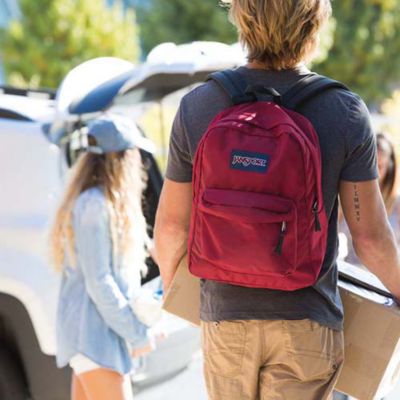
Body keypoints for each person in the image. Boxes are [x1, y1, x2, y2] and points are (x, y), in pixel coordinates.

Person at [154, 1, 400, 399]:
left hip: (224, 318)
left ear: (240, 18)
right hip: (306, 322)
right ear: (315, 25)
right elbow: (370, 239)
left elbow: (169, 228)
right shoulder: (344, 112)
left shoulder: (198, 106)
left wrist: (178, 291)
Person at [50, 115, 160, 400]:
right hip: (93, 338)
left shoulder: (96, 203)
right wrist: (137, 333)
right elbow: (100, 282)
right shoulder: (94, 206)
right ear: (122, 158)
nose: (139, 160)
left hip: (92, 337)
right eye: (135, 153)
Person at [340, 133, 400, 265]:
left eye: (379, 167)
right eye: (370, 167)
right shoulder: (348, 196)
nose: (374, 174)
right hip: (354, 276)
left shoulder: (397, 204)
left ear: (390, 169)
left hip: (386, 279)